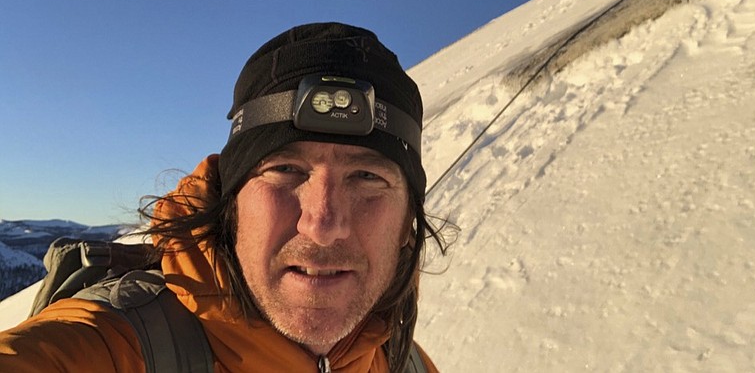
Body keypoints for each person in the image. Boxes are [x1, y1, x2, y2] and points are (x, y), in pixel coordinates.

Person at [0, 22, 450, 372]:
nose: (323, 223)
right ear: (230, 201)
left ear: (408, 217)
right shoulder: (119, 347)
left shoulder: (403, 361)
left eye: (368, 176)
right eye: (285, 169)